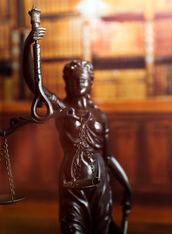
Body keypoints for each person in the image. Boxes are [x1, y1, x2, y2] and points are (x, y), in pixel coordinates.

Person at [22, 28, 132, 234]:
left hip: (100, 179)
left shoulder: (101, 116)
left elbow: (109, 157)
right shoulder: (61, 109)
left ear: (91, 82)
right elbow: (34, 84)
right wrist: (27, 45)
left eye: (83, 79)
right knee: (73, 227)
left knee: (102, 228)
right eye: (73, 79)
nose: (78, 83)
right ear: (66, 82)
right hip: (71, 177)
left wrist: (126, 184)